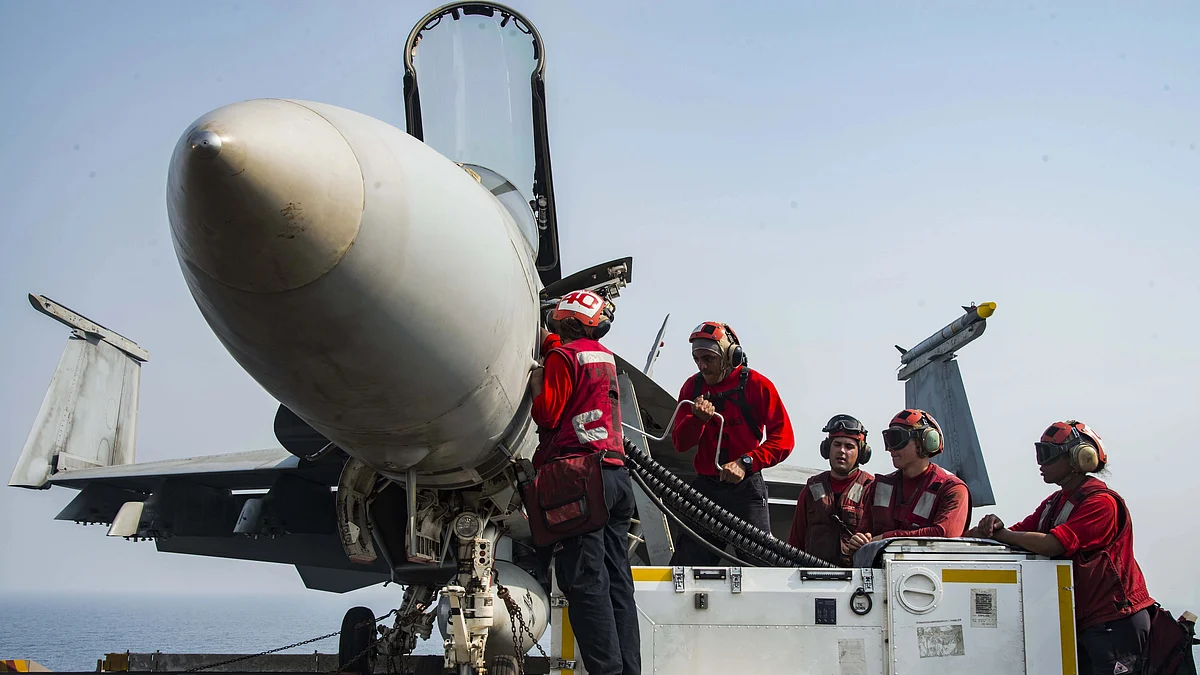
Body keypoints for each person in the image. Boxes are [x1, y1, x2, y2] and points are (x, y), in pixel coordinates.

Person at [967, 421, 1154, 675]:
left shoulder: (1102, 504)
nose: (1040, 464)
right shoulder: (1056, 502)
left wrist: (1003, 533)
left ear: (1079, 458)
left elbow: (1054, 545)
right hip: (1085, 622)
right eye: (1039, 454)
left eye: (1047, 455)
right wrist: (990, 529)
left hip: (1115, 622)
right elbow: (1018, 533)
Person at [529, 289, 640, 675]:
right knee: (616, 583)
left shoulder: (562, 357)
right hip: (616, 476)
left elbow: (547, 414)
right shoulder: (603, 357)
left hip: (581, 481)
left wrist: (538, 380)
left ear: (567, 319)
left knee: (585, 584)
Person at [669, 321, 794, 566]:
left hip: (745, 489)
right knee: (686, 571)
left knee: (761, 569)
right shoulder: (692, 387)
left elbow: (784, 439)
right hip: (705, 490)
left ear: (730, 355)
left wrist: (746, 462)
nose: (702, 366)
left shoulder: (757, 385)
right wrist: (697, 420)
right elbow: (679, 443)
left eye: (709, 358)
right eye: (697, 359)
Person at [846, 408, 970, 557]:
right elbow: (865, 535)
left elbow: (945, 536)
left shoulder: (952, 489)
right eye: (888, 440)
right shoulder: (879, 488)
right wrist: (858, 542)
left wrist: (884, 539)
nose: (890, 448)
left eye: (897, 439)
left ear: (924, 441)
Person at [787, 414, 875, 566]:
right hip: (813, 578)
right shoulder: (811, 490)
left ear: (861, 453)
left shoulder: (871, 489)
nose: (841, 451)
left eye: (849, 446)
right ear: (827, 449)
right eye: (837, 444)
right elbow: (795, 542)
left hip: (857, 580)